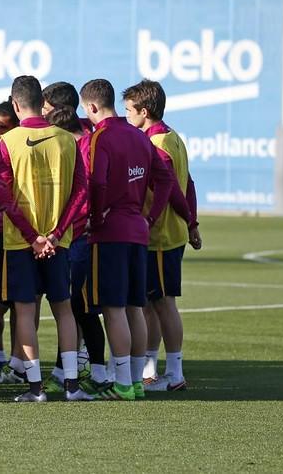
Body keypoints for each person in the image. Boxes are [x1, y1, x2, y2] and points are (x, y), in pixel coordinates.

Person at [0, 75, 91, 403]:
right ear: (41, 102)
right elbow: (81, 192)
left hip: (22, 243)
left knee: (24, 311)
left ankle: (36, 389)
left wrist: (33, 237)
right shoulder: (66, 139)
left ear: (16, 104)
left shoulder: (8, 141)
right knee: (64, 309)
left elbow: (3, 195)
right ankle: (71, 386)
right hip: (58, 242)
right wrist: (57, 233)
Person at [79, 78, 176, 401]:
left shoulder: (100, 138)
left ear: (92, 107)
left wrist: (95, 218)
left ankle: (122, 383)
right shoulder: (139, 136)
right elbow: (166, 179)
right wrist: (150, 217)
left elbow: (97, 183)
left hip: (111, 233)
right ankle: (134, 382)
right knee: (136, 307)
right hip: (138, 230)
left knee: (114, 308)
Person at [122, 79, 201, 392]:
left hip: (160, 236)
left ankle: (175, 373)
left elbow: (170, 189)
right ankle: (150, 369)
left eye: (129, 110)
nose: (126, 115)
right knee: (149, 304)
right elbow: (189, 183)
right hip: (167, 233)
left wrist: (181, 220)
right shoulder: (173, 137)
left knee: (164, 303)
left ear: (144, 111)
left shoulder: (157, 144)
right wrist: (192, 223)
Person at [44, 106, 113, 397]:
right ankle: (72, 370)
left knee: (80, 306)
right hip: (74, 236)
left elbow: (89, 192)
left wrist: (85, 221)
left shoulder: (82, 148)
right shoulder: (81, 144)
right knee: (75, 307)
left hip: (80, 238)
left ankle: (94, 371)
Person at [0, 101, 24, 386]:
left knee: (18, 304)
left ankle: (18, 361)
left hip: (17, 234)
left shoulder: (19, 146)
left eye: (4, 127)